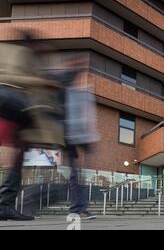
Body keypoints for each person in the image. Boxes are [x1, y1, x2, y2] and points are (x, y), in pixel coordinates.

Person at [0, 32, 64, 221]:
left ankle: (6, 204)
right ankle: (5, 203)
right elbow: (8, 78)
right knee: (22, 145)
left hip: (14, 109)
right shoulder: (14, 53)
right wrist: (42, 82)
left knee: (21, 148)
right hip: (7, 102)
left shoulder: (30, 62)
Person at [44, 54, 99, 220]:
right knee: (76, 171)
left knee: (77, 171)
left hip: (74, 133)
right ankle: (78, 208)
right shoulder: (64, 82)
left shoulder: (71, 85)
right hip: (69, 134)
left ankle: (78, 208)